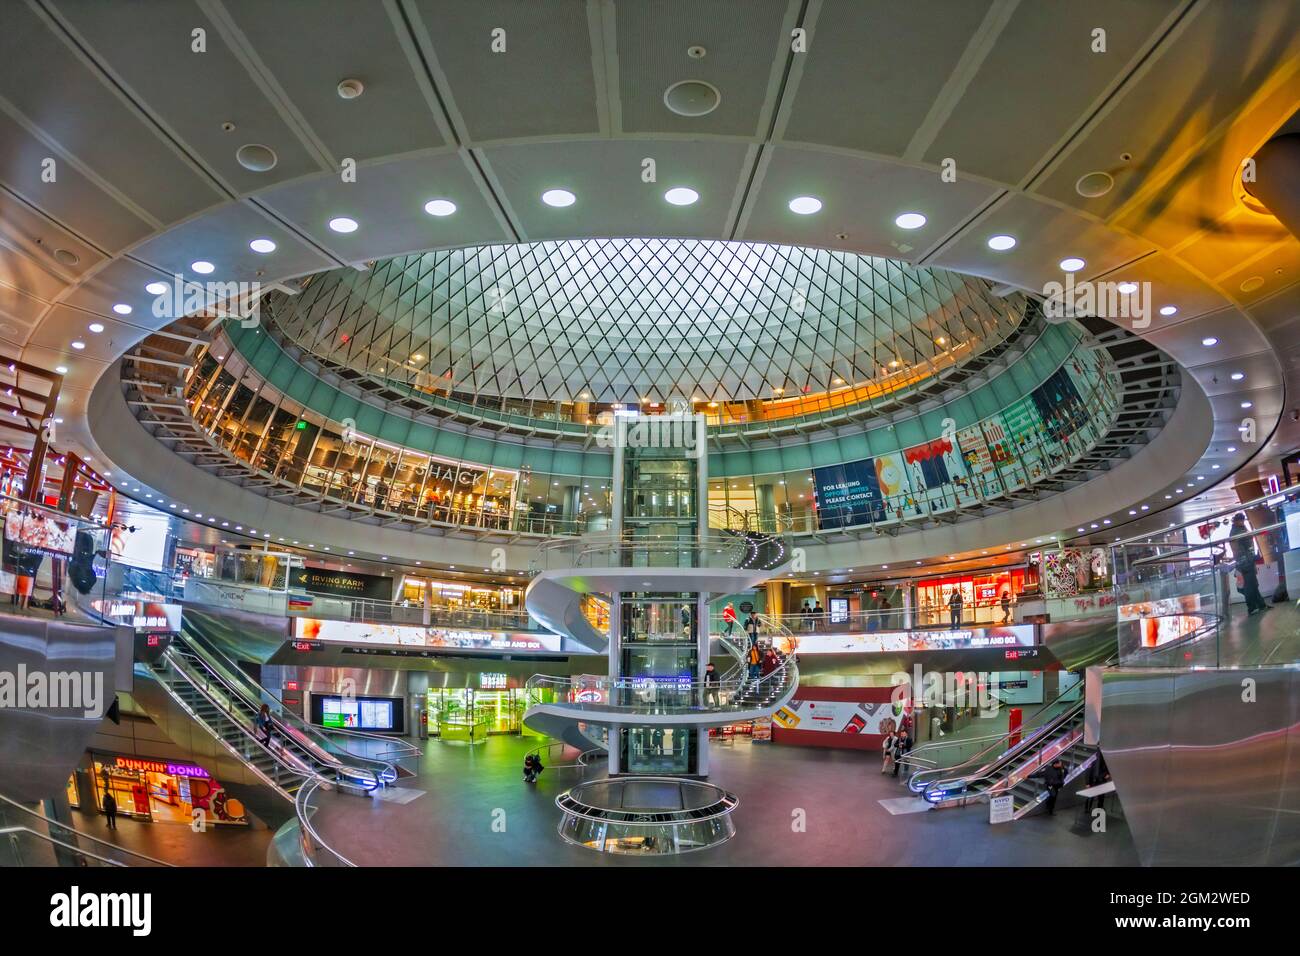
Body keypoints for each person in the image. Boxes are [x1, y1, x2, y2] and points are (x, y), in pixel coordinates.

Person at [1230, 513, 1269, 615]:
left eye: (1243, 520)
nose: (1242, 522)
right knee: (1250, 586)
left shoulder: (1241, 528)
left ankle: (1261, 605)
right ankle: (1251, 608)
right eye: (1240, 520)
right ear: (1236, 521)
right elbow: (1238, 549)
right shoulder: (1236, 531)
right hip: (1245, 563)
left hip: (1247, 561)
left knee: (1253, 585)